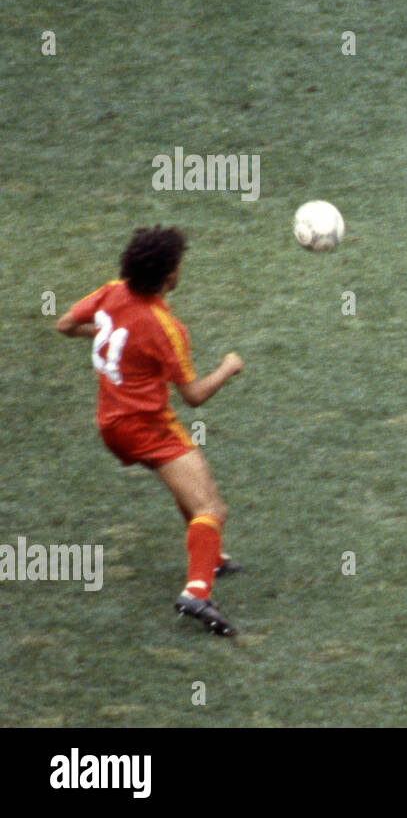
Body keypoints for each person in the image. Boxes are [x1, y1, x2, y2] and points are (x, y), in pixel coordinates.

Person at [57, 226, 246, 634]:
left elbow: (65, 325)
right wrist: (228, 368)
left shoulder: (111, 292)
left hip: (110, 422)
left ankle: (211, 557)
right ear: (167, 275)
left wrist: (104, 335)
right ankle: (197, 593)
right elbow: (193, 395)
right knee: (212, 508)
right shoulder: (166, 328)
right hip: (148, 427)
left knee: (194, 492)